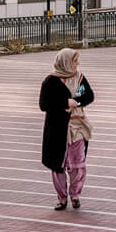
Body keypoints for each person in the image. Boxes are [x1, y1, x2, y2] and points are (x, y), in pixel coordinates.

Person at [38, 48, 95, 210]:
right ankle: (62, 198)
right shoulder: (50, 81)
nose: (77, 64)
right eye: (74, 61)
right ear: (65, 62)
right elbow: (44, 105)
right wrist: (64, 104)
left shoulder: (79, 78)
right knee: (58, 165)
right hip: (57, 130)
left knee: (78, 164)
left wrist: (76, 102)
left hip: (77, 128)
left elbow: (88, 96)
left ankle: (75, 194)